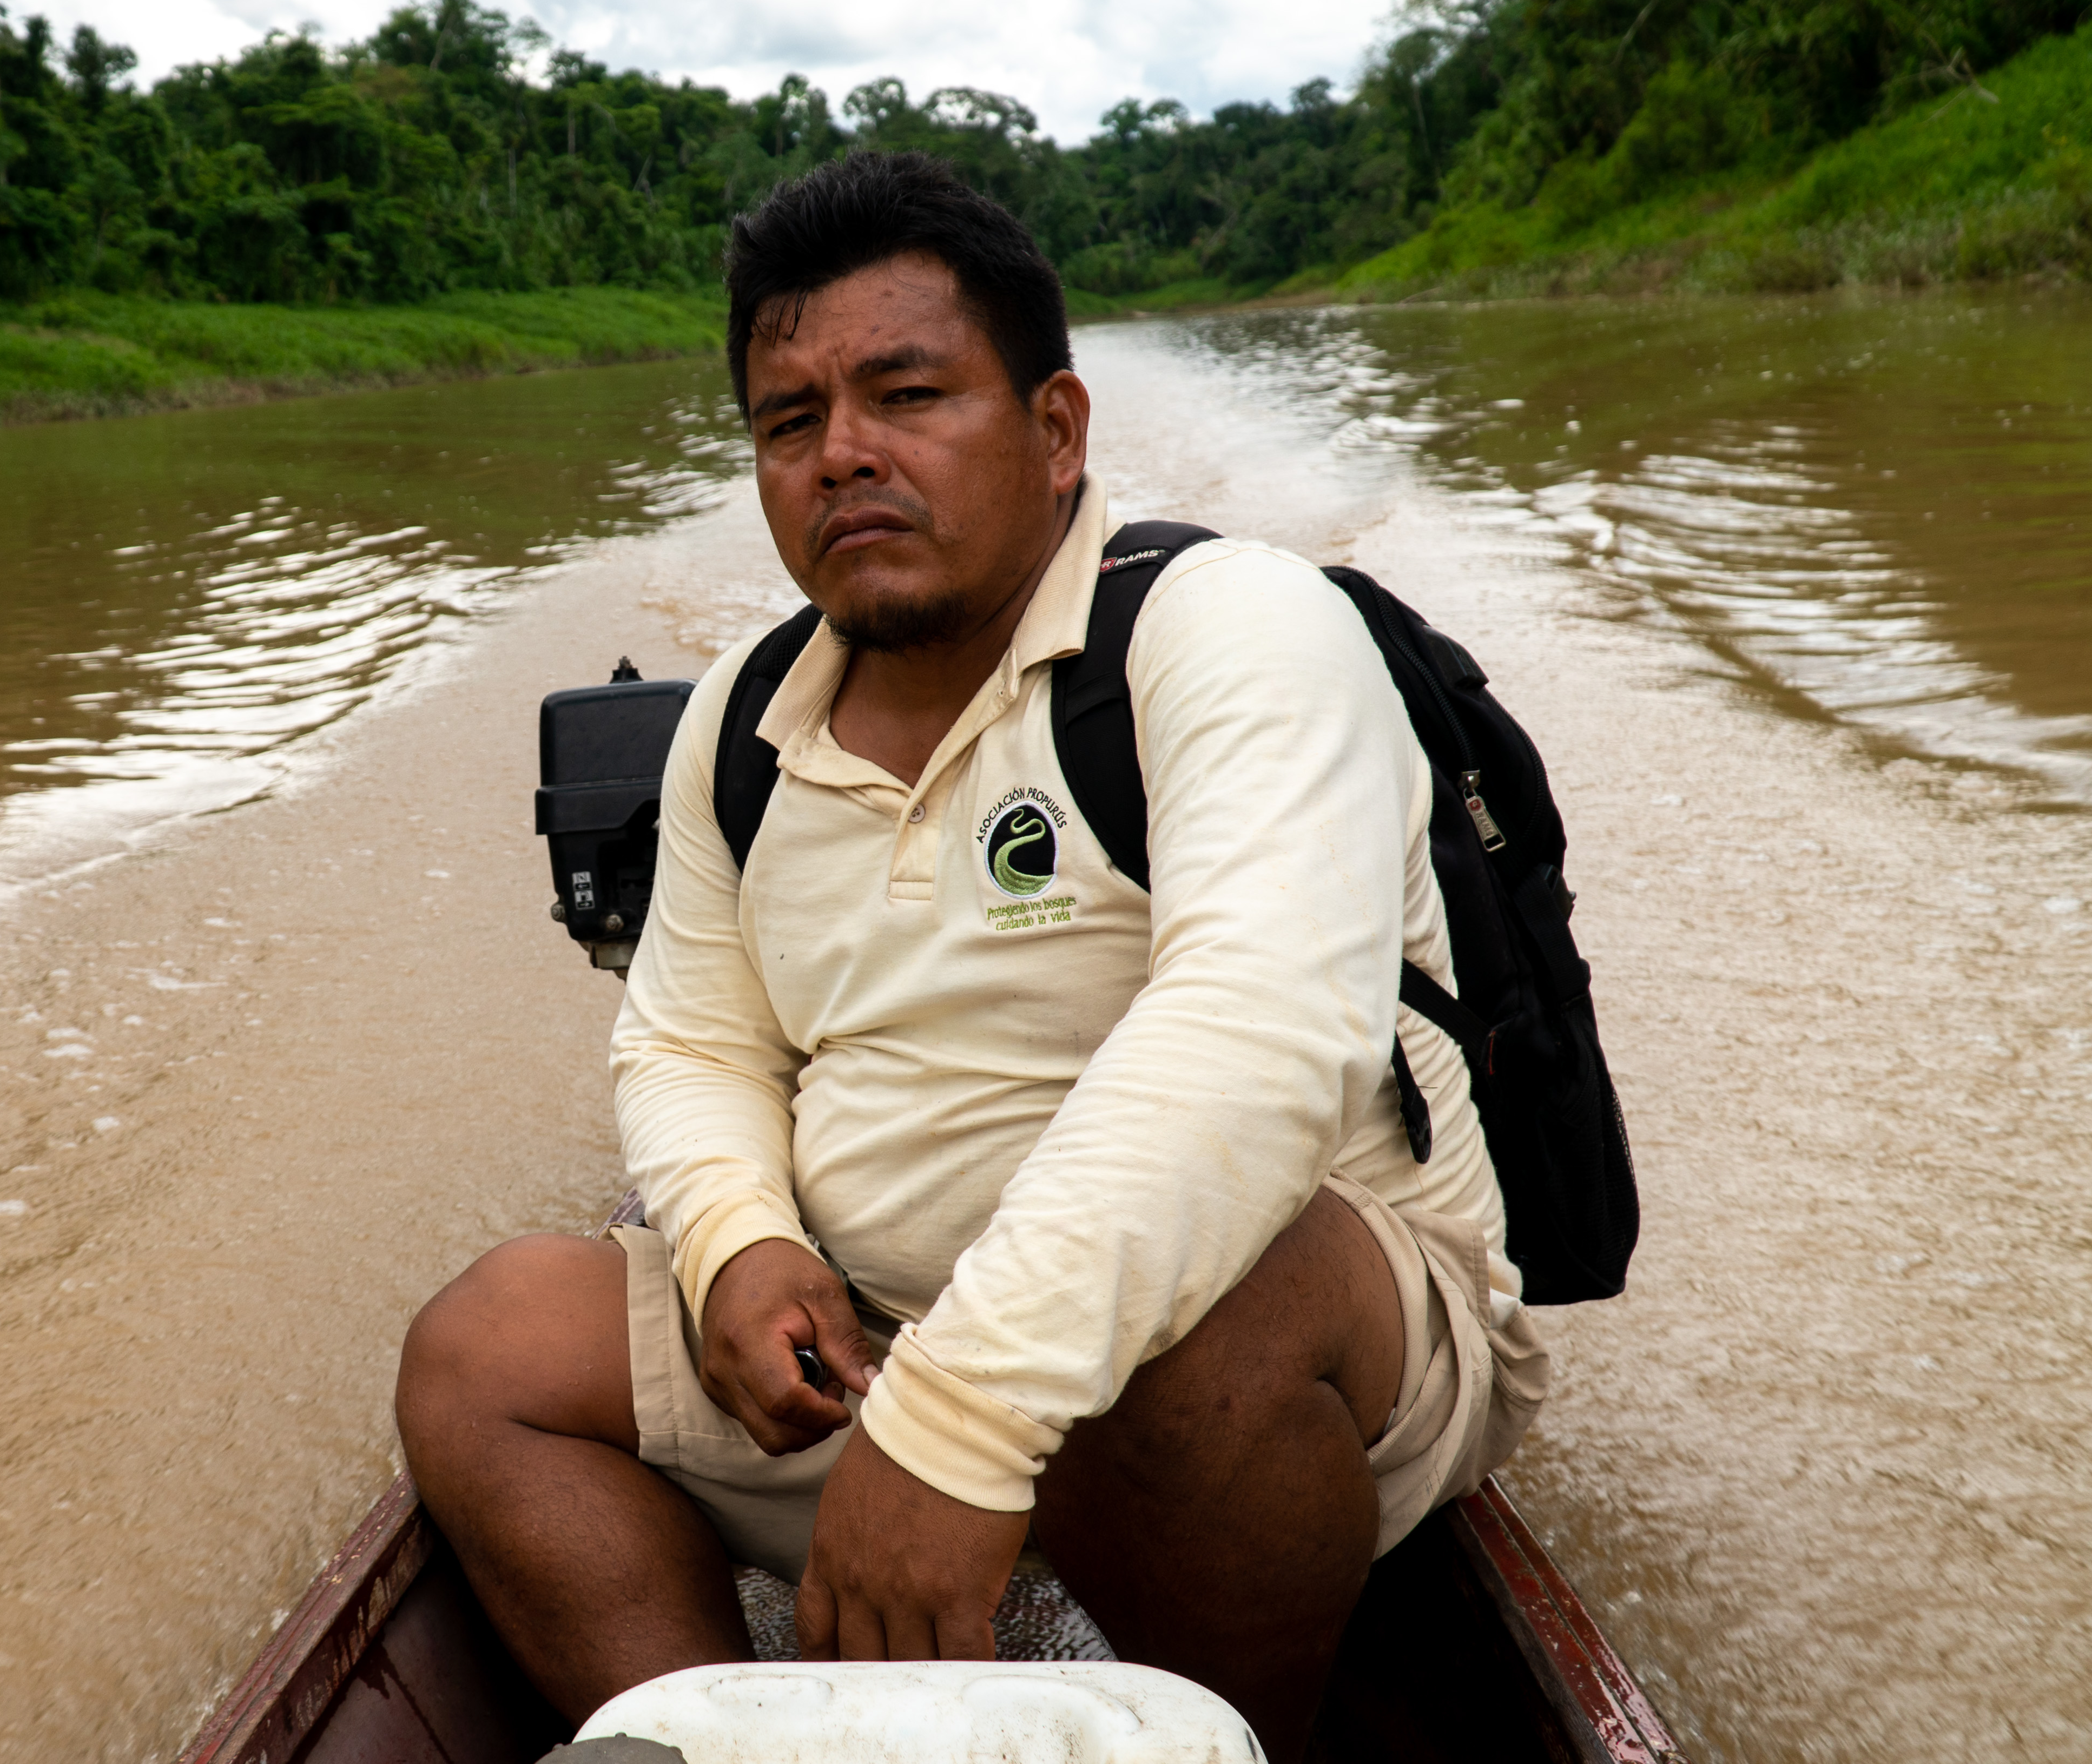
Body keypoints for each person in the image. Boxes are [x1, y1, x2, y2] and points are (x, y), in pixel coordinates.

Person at [393, 150, 1548, 1760]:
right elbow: (691, 1038)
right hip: (875, 1338)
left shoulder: (1233, 629)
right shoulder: (742, 714)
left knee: (1197, 1348)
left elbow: (1261, 1033)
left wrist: (959, 1424)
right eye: (789, 423)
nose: (843, 456)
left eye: (907, 394)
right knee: (485, 1350)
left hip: (1290, 1342)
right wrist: (733, 1245)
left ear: (1058, 432)